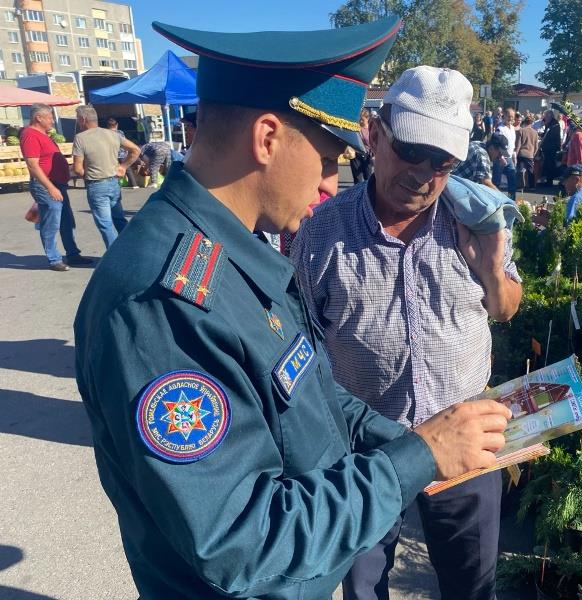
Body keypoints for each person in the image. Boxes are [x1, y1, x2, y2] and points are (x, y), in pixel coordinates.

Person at [73, 18, 511, 600]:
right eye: (329, 158)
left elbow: (321, 400)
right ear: (268, 138)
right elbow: (242, 541)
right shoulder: (165, 302)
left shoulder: (236, 254)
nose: (332, 183)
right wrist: (417, 457)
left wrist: (424, 446)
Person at [292, 65, 522, 600]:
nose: (424, 174)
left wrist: (489, 268)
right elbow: (300, 341)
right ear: (374, 134)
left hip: (467, 444)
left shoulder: (475, 221)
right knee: (363, 585)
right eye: (412, 151)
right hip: (366, 451)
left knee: (472, 585)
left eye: (443, 162)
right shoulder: (322, 231)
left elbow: (506, 307)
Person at [21, 103, 91, 271]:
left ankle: (73, 255)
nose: (53, 121)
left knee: (67, 220)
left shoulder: (44, 135)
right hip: (46, 185)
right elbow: (32, 165)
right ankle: (54, 259)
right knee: (51, 222)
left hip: (58, 184)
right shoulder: (30, 135)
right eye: (50, 117)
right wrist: (50, 187)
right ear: (39, 118)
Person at [72, 106, 140, 249]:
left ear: (83, 119)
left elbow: (78, 169)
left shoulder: (80, 138)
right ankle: (132, 248)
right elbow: (135, 150)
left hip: (96, 184)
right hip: (114, 182)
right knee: (119, 219)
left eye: (78, 119)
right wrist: (123, 166)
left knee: (105, 223)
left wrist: (83, 173)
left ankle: (114, 257)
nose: (78, 122)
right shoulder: (113, 134)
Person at [534, 164, 582, 231]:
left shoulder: (578, 198)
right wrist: (550, 216)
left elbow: (565, 231)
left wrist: (540, 220)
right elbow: (567, 222)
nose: (563, 183)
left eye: (566, 180)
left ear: (576, 180)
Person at [106, 117, 139, 188]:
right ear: (116, 125)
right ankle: (134, 184)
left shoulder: (106, 133)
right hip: (123, 154)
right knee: (127, 169)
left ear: (108, 125)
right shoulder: (120, 132)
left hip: (113, 154)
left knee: (113, 169)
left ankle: (116, 184)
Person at [515, 116, 539, 191]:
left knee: (520, 170)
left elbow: (518, 144)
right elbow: (536, 146)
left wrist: (515, 154)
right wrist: (533, 154)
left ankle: (520, 186)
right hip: (530, 154)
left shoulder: (521, 131)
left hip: (521, 153)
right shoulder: (535, 132)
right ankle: (532, 186)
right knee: (530, 171)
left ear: (524, 122)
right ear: (532, 123)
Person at [349, 107, 372, 183]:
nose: (360, 121)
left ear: (367, 118)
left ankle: (368, 193)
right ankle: (358, 194)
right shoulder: (356, 128)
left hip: (368, 155)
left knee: (368, 177)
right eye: (359, 119)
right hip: (356, 155)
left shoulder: (372, 129)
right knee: (357, 179)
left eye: (362, 119)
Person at [539, 109, 561, 185]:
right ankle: (547, 179)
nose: (545, 119)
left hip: (552, 147)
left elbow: (550, 135)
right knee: (547, 163)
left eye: (546, 117)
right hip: (548, 147)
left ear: (550, 116)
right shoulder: (550, 123)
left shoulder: (555, 124)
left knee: (550, 164)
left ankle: (549, 180)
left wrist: (543, 135)